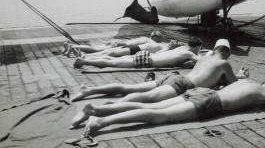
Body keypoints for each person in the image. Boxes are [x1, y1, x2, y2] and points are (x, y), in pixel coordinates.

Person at [73, 79, 265, 136]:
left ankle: (97, 109)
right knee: (158, 116)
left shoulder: (246, 82)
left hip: (204, 92)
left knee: (152, 104)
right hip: (210, 102)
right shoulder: (263, 92)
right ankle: (100, 121)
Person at [70, 39, 249, 103]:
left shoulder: (204, 58)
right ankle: (109, 107)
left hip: (173, 77)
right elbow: (234, 83)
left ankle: (90, 89)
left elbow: (205, 69)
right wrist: (240, 75)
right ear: (226, 52)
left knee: (129, 85)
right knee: (144, 97)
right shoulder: (223, 63)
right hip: (182, 84)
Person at [73, 38, 203, 69]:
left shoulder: (181, 49)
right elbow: (200, 61)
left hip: (148, 55)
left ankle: (86, 57)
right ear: (197, 47)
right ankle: (84, 61)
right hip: (148, 60)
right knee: (113, 62)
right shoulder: (190, 54)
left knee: (114, 58)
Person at [63, 30, 164, 57]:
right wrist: (117, 44)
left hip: (119, 43)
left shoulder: (145, 38)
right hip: (120, 45)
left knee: (94, 48)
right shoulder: (148, 41)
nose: (159, 41)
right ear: (155, 38)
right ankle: (72, 47)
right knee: (95, 50)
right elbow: (131, 43)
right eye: (159, 39)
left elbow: (132, 42)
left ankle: (71, 46)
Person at [81, 39, 185, 59]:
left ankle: (87, 57)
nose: (175, 41)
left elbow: (158, 54)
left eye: (177, 43)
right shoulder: (161, 44)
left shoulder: (165, 49)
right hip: (135, 48)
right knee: (108, 52)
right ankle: (87, 56)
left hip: (136, 50)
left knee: (111, 53)